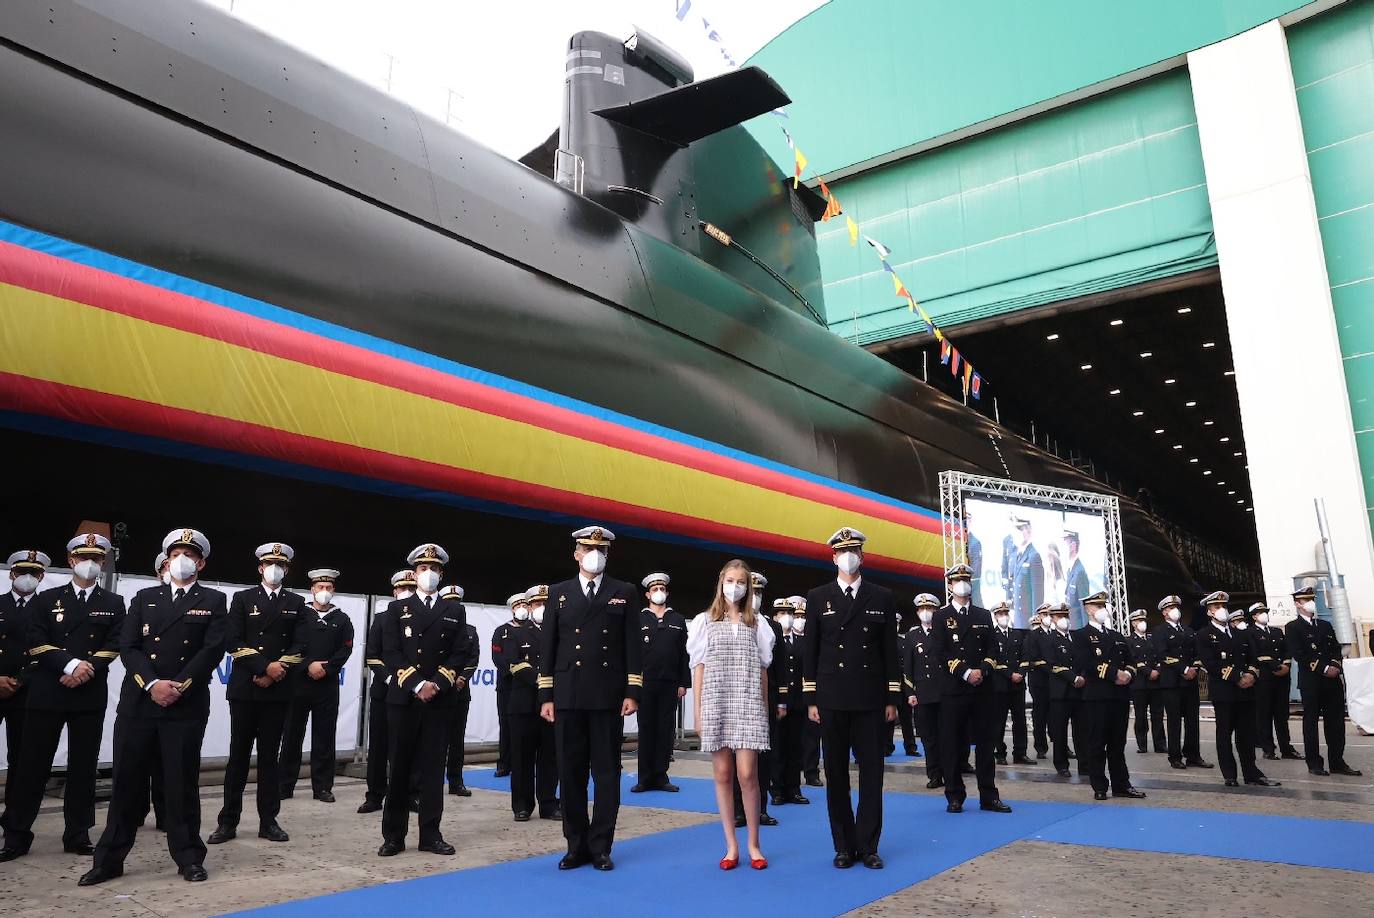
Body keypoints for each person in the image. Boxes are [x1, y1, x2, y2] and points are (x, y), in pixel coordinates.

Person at [81, 528, 228, 885]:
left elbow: (211, 650)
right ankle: (109, 860)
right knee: (127, 785)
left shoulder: (213, 600)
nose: (182, 560)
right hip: (140, 705)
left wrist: (176, 686)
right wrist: (152, 684)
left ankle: (189, 856)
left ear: (202, 563)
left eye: (190, 555)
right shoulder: (144, 597)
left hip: (184, 704)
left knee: (180, 785)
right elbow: (128, 647)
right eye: (176, 553)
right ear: (165, 559)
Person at [1, 534, 125, 862]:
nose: (90, 564)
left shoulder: (113, 603)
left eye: (97, 559)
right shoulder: (47, 599)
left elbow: (116, 642)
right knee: (31, 765)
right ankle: (16, 834)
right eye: (84, 558)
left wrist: (87, 668)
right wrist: (69, 663)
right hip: (47, 690)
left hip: (89, 692)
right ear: (71, 561)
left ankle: (78, 833)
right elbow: (36, 640)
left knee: (83, 766)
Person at [538, 526, 642, 872]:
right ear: (576, 553)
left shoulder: (624, 591)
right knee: (570, 773)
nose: (595, 553)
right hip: (567, 694)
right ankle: (575, 844)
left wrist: (632, 690)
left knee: (606, 773)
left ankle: (601, 846)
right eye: (588, 548)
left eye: (601, 549)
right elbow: (548, 647)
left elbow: (632, 645)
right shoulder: (558, 593)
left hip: (607, 695)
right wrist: (546, 695)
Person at [802, 527, 900, 868]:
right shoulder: (818, 597)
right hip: (832, 697)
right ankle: (843, 845)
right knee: (837, 774)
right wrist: (811, 698)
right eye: (843, 551)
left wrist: (892, 697)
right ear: (833, 557)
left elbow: (891, 652)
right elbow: (810, 651)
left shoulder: (882, 596)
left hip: (871, 697)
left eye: (854, 550)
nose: (849, 556)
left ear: (862, 556)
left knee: (872, 774)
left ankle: (869, 845)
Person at [209, 543, 308, 846]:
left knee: (269, 759)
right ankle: (228, 821)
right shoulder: (242, 599)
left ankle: (269, 821)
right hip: (245, 689)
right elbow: (232, 640)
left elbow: (301, 644)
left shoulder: (296, 602)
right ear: (260, 568)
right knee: (238, 757)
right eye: (269, 564)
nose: (274, 569)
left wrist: (276, 671)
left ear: (287, 570)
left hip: (278, 690)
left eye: (280, 565)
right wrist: (264, 667)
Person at [377, 544, 470, 857]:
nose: (428, 574)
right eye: (422, 569)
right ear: (414, 574)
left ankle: (430, 834)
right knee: (400, 769)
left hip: (439, 700)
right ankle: (393, 836)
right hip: (404, 699)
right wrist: (416, 684)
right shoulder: (395, 610)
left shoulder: (455, 611)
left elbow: (460, 652)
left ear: (441, 574)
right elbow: (389, 652)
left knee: (432, 771)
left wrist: (438, 683)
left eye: (434, 569)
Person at [689, 560, 775, 870]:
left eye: (741, 581)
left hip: (749, 704)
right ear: (721, 582)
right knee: (723, 775)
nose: (735, 586)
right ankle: (731, 845)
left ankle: (754, 843)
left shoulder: (758, 625)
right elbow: (697, 669)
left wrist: (763, 711)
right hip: (716, 702)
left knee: (747, 775)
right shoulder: (704, 621)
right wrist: (698, 713)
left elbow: (764, 671)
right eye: (730, 580)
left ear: (748, 587)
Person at [931, 563, 1011, 815]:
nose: (963, 584)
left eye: (966, 580)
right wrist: (965, 671)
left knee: (986, 744)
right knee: (953, 744)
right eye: (958, 580)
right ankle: (954, 795)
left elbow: (993, 650)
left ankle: (989, 795)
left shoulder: (982, 614)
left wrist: (983, 670)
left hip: (982, 689)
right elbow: (940, 653)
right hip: (955, 689)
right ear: (950, 586)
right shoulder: (941, 616)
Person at [279, 569, 354, 803]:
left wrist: (328, 668)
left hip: (327, 685)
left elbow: (346, 648)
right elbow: (289, 644)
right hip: (298, 683)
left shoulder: (342, 619)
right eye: (320, 587)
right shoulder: (301, 614)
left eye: (328, 588)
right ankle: (284, 785)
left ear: (334, 590)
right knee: (292, 735)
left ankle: (322, 787)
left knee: (324, 737)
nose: (324, 592)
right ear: (312, 589)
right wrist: (308, 665)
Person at [1194, 591, 1278, 788]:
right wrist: (1237, 677)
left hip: (1246, 692)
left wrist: (1251, 675)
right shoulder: (1204, 635)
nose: (1222, 610)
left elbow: (1254, 659)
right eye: (1216, 607)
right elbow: (1210, 663)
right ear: (1209, 612)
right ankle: (1229, 774)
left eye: (1223, 606)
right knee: (1224, 734)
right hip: (1224, 692)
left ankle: (1251, 773)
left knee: (1247, 735)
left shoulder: (1243, 634)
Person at [1071, 592, 1146, 801]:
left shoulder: (1116, 636)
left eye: (1104, 604)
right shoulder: (1080, 635)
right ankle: (1099, 786)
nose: (1103, 609)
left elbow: (1130, 660)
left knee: (1117, 743)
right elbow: (1085, 663)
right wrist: (1115, 674)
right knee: (1097, 743)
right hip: (1097, 696)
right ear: (1088, 609)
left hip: (1119, 696)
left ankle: (1122, 784)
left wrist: (1128, 674)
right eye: (1097, 605)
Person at [496, 585, 559, 821]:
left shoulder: (559, 632)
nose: (540, 609)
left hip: (552, 704)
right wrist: (545, 681)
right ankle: (522, 805)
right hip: (523, 703)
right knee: (522, 757)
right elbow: (514, 664)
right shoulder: (514, 632)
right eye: (536, 605)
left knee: (549, 757)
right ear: (530, 607)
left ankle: (549, 804)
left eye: (545, 604)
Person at [1286, 585, 1361, 777]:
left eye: (1311, 599)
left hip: (1332, 682)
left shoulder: (1325, 626)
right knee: (1311, 723)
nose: (1311, 603)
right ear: (1298, 604)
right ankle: (1314, 763)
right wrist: (1324, 668)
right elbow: (1299, 655)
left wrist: (1335, 664)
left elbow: (1336, 648)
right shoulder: (1293, 627)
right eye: (1306, 600)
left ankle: (1337, 761)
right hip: (1312, 682)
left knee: (1336, 722)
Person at [359, 570, 415, 814]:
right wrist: (392, 678)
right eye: (402, 589)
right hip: (384, 691)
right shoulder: (382, 619)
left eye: (411, 589)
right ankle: (375, 795)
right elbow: (372, 656)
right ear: (394, 592)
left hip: (412, 694)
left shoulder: (421, 619)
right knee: (380, 746)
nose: (406, 593)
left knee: (407, 747)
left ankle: (410, 794)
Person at [0, 550, 44, 835]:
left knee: (21, 757)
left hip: (25, 689)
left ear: (41, 577)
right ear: (11, 574)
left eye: (34, 573)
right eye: (21, 572)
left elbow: (47, 649)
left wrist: (18, 680)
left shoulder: (49, 607)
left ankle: (13, 818)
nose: (27, 578)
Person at [633, 573, 689, 794]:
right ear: (647, 594)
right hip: (645, 683)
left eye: (662, 589)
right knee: (646, 728)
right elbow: (633, 654)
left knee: (665, 730)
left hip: (670, 683)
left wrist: (683, 682)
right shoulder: (639, 619)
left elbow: (684, 655)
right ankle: (644, 777)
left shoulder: (677, 619)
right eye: (654, 589)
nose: (659, 593)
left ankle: (661, 775)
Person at [733, 570, 780, 828]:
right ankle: (738, 809)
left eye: (760, 592)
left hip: (765, 698)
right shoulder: (731, 620)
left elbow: (779, 666)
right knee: (733, 757)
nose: (756, 597)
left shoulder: (770, 626)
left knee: (763, 757)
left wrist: (780, 700)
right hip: (737, 697)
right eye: (754, 592)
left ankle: (760, 808)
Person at [1151, 595, 1212, 770]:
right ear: (1164, 612)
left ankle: (1193, 755)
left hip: (1190, 682)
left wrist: (1194, 668)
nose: (1174, 610)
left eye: (1176, 607)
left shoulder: (1188, 630)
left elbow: (1198, 652)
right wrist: (1184, 669)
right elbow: (1162, 655)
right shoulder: (1159, 631)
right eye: (1170, 608)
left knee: (1193, 721)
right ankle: (1175, 756)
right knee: (1174, 721)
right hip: (1172, 682)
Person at [902, 593, 946, 789]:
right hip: (923, 694)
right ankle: (934, 774)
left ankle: (950, 772)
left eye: (930, 609)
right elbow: (908, 668)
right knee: (928, 738)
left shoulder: (943, 632)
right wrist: (910, 693)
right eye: (922, 610)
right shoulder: (911, 636)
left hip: (944, 692)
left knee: (946, 735)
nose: (926, 613)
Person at [439, 584, 480, 797]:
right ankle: (432, 783)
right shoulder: (435, 627)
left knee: (456, 740)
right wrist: (445, 678)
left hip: (460, 692)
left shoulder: (470, 631)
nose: (453, 606)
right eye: (449, 602)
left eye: (456, 602)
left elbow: (473, 658)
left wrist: (462, 677)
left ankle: (456, 782)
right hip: (439, 691)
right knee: (436, 740)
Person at [1247, 601, 1301, 760]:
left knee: (1282, 715)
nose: (1264, 614)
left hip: (1282, 679)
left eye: (1265, 611)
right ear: (1254, 616)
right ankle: (1268, 748)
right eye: (1260, 612)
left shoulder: (1277, 632)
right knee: (1264, 714)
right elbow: (1256, 654)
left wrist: (1286, 664)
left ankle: (1286, 748)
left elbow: (1287, 649)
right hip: (1265, 678)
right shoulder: (1250, 633)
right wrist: (1276, 666)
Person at [769, 597, 808, 805]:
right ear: (775, 617)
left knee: (796, 747)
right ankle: (777, 789)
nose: (788, 618)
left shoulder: (802, 641)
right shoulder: (772, 639)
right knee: (778, 748)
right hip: (778, 701)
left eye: (790, 614)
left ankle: (794, 788)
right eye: (783, 614)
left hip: (798, 702)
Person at [989, 601, 1032, 766]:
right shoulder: (992, 636)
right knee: (998, 721)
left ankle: (1020, 753)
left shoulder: (1017, 634)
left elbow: (1025, 656)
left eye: (1005, 614)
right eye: (1000, 614)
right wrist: (1010, 674)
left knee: (1020, 721)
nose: (1004, 617)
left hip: (1018, 685)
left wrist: (1020, 673)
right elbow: (993, 660)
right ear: (995, 616)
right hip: (1000, 685)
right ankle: (999, 753)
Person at [1046, 603, 1081, 777]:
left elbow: (1082, 661)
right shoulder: (1049, 639)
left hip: (1079, 690)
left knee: (1081, 729)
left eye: (1065, 616)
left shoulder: (1075, 637)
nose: (1063, 620)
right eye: (1059, 617)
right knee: (1059, 731)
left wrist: (1081, 677)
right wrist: (1073, 678)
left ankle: (1085, 763)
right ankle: (1061, 764)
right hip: (1060, 691)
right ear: (1052, 619)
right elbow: (1053, 665)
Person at [491, 588, 521, 780]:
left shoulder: (534, 631)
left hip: (527, 687)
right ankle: (505, 764)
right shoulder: (501, 631)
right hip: (506, 686)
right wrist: (514, 670)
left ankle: (523, 763)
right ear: (512, 609)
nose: (522, 609)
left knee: (525, 727)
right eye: (518, 606)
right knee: (506, 725)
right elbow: (497, 657)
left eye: (525, 605)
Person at [793, 597, 822, 787]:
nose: (800, 619)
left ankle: (812, 773)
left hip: (812, 694)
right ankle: (793, 775)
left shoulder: (815, 639)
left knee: (812, 737)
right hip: (792, 695)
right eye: (797, 615)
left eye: (803, 615)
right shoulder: (782, 637)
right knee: (793, 738)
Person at [1126, 609, 1164, 754]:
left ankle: (1160, 744)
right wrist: (1149, 672)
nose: (1142, 623)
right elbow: (1134, 660)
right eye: (1139, 621)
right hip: (1140, 684)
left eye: (1144, 620)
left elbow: (1160, 657)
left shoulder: (1152, 639)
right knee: (1140, 715)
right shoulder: (1129, 640)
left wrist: (1158, 670)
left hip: (1156, 683)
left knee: (1158, 715)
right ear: (1133, 623)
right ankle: (1142, 744)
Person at [1022, 603, 1054, 761]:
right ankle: (1041, 747)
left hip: (1056, 682)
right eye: (1045, 614)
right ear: (1040, 616)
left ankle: (1062, 746)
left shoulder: (1055, 634)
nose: (1048, 617)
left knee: (1056, 716)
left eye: (1050, 614)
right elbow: (1033, 658)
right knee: (1040, 716)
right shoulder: (1033, 636)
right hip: (1040, 682)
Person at [1009, 518, 1043, 627]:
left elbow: (1037, 593)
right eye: (1016, 529)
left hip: (1027, 619)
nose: (1017, 533)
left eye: (1020, 529)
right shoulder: (1016, 555)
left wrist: (1036, 621)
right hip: (1018, 616)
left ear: (1028, 531)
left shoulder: (1034, 556)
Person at [1062, 531, 1090, 629]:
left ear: (1073, 546)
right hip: (1072, 627)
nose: (1062, 548)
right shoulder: (1071, 569)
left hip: (1079, 628)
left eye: (1065, 543)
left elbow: (1084, 607)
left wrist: (1086, 632)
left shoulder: (1080, 571)